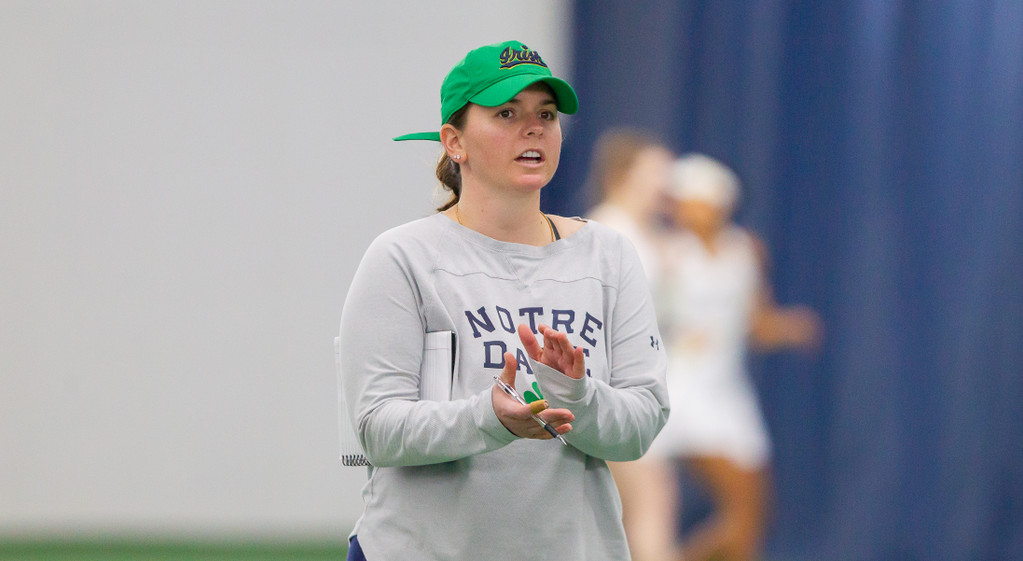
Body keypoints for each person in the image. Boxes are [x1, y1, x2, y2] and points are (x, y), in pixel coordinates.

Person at [336, 40, 669, 561]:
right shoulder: (403, 257)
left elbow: (641, 425)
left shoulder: (608, 255)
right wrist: (487, 419)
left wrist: (577, 398)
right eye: (506, 113)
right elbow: (377, 430)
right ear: (455, 142)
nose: (533, 127)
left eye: (546, 114)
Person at [652, 153, 822, 561]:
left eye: (696, 199)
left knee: (752, 519)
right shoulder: (669, 256)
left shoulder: (747, 251)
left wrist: (791, 327)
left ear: (720, 204)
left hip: (730, 392)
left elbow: (757, 325)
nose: (687, 209)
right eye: (682, 200)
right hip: (686, 392)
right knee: (739, 509)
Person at [584, 129, 683, 561]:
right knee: (650, 508)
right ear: (622, 175)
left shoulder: (651, 237)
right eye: (656, 173)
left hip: (644, 387)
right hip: (615, 390)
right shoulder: (605, 233)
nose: (666, 184)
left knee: (628, 516)